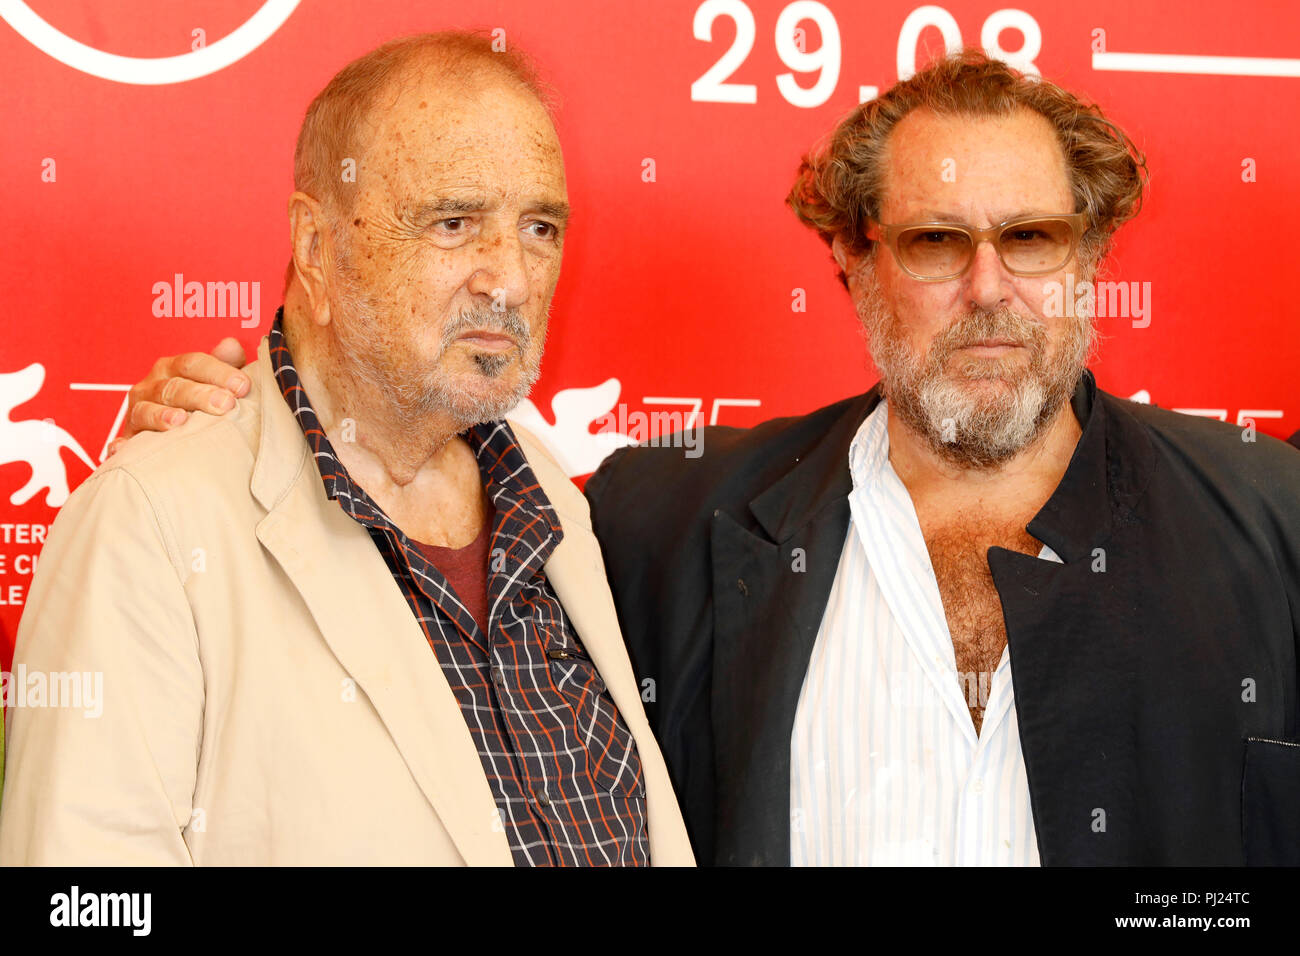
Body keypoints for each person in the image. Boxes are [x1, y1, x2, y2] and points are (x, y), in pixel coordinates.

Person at [111, 51, 1300, 867]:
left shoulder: (1272, 519)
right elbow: (395, 518)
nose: (989, 291)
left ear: (1087, 255)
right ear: (852, 257)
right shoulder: (657, 520)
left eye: (1031, 237)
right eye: (937, 242)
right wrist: (246, 424)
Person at [0, 32, 693, 866]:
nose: (509, 276)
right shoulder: (148, 524)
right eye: (454, 222)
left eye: (539, 226)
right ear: (317, 247)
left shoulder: (556, 508)